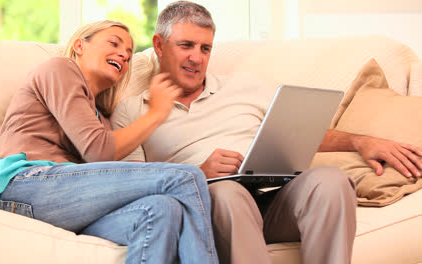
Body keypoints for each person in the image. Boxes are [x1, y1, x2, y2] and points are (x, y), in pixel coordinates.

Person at [110, 1, 422, 264]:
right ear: (159, 45)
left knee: (332, 180)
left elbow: (302, 131)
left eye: (205, 48)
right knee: (227, 191)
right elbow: (134, 188)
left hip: (276, 198)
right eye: (186, 45)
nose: (197, 57)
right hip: (213, 203)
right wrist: (199, 173)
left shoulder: (246, 85)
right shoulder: (134, 111)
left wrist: (360, 141)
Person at [0, 20, 219, 264]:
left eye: (129, 55)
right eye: (114, 43)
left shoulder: (102, 120)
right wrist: (156, 113)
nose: (123, 54)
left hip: (65, 206)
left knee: (162, 210)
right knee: (187, 178)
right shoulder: (60, 69)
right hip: (23, 187)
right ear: (80, 46)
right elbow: (98, 152)